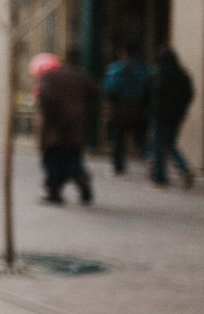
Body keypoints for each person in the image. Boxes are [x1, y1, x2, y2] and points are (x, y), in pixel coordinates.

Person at [35, 50, 98, 204]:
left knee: (52, 161)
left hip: (56, 128)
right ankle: (79, 175)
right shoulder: (80, 76)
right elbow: (95, 92)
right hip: (77, 127)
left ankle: (55, 191)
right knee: (72, 156)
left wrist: (53, 116)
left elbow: (46, 98)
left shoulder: (50, 78)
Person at [148, 47, 196, 188]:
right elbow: (189, 93)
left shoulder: (157, 73)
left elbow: (150, 93)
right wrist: (181, 109)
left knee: (159, 144)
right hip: (176, 115)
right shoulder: (182, 74)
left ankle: (160, 176)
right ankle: (183, 168)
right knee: (169, 143)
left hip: (159, 114)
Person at [102, 44, 150, 176]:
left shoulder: (115, 69)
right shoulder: (144, 69)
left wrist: (113, 101)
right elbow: (149, 88)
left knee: (118, 138)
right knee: (141, 138)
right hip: (139, 107)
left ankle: (118, 166)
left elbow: (110, 88)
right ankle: (150, 162)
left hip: (120, 108)